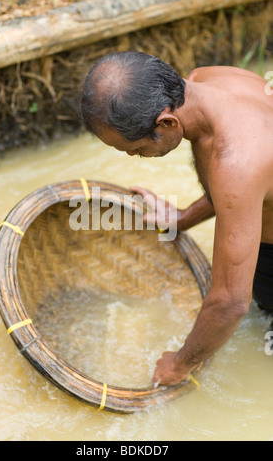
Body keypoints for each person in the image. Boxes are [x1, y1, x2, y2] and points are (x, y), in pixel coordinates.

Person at [79, 51, 273, 386]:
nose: (136, 158)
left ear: (167, 124)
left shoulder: (236, 162)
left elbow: (230, 302)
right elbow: (247, 187)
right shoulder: (206, 81)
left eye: (136, 150)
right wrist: (182, 217)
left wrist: (181, 363)